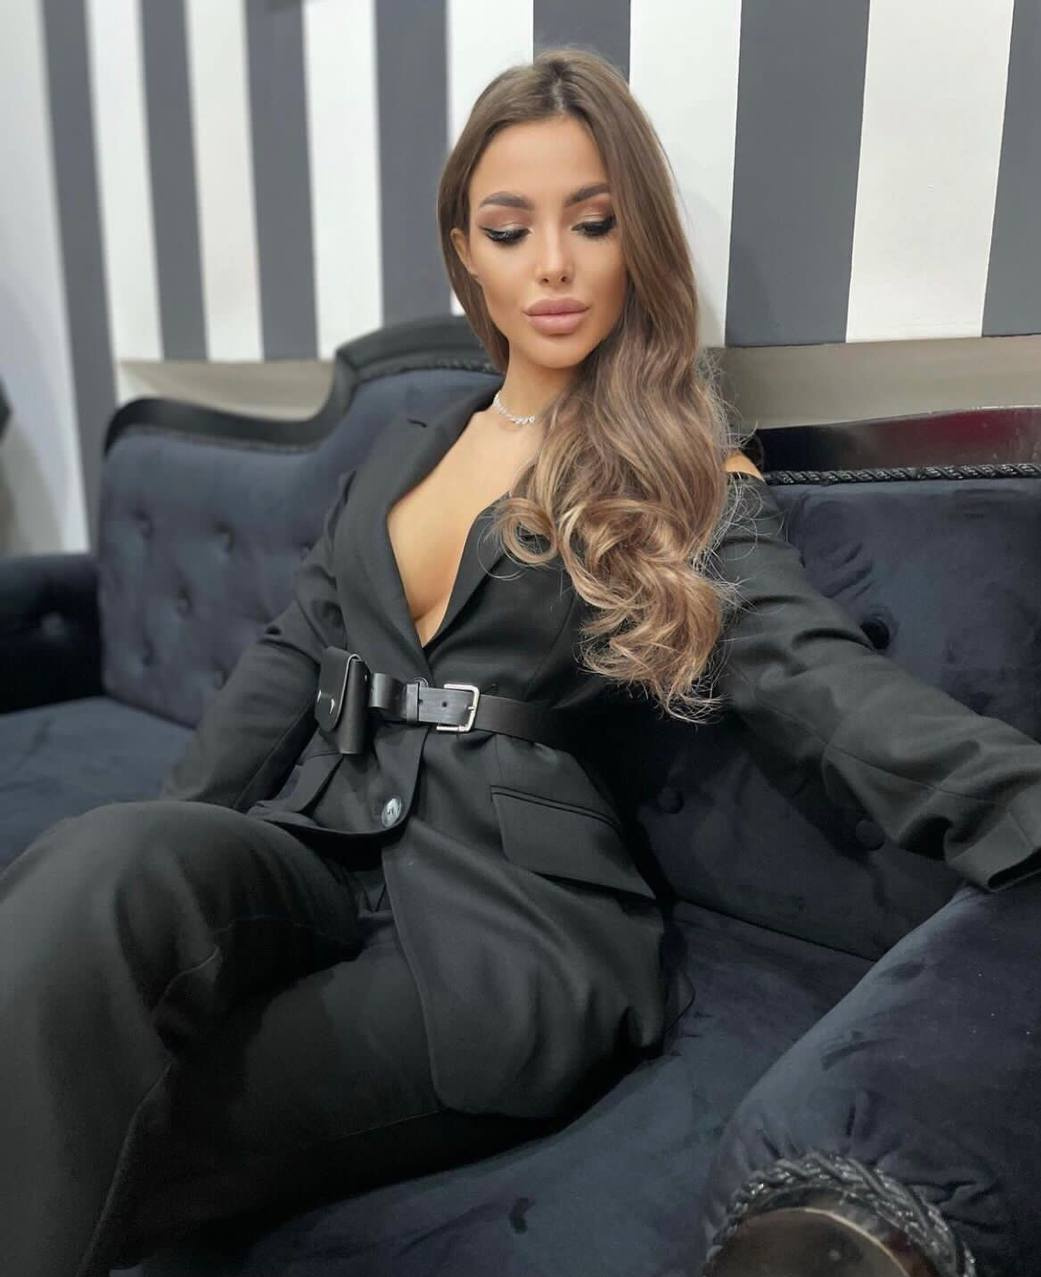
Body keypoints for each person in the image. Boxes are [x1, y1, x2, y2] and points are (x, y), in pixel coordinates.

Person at [3, 46, 1038, 1277]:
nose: (552, 263)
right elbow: (290, 656)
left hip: (502, 926)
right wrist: (180, 836)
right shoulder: (403, 450)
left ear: (636, 241)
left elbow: (809, 670)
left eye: (592, 223)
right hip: (322, 848)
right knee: (98, 870)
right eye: (510, 228)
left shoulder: (673, 460)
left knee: (125, 1113)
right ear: (468, 251)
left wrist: (1014, 799)